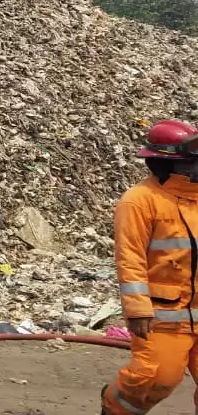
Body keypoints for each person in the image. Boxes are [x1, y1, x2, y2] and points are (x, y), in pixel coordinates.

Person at [101, 119, 198, 415]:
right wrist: (138, 309)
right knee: (155, 379)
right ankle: (114, 406)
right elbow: (130, 258)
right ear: (172, 164)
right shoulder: (140, 202)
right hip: (163, 317)